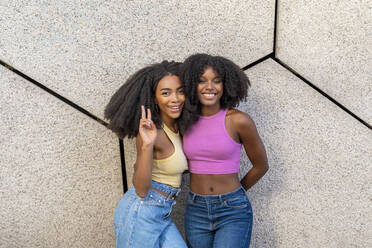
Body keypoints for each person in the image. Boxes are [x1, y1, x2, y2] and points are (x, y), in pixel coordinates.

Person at [180, 54, 269, 248]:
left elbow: (261, 166)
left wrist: (236, 193)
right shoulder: (185, 122)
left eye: (216, 81)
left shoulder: (238, 120)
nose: (209, 87)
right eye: (201, 81)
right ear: (191, 85)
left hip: (232, 211)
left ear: (225, 85)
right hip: (196, 210)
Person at [104, 61, 188, 248]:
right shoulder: (152, 134)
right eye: (166, 93)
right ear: (154, 98)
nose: (175, 98)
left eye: (180, 91)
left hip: (162, 212)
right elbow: (141, 189)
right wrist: (146, 145)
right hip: (142, 210)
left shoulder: (181, 127)